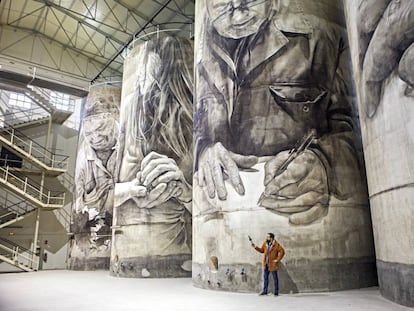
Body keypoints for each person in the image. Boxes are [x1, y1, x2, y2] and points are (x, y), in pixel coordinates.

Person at [195, 0, 365, 225]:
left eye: (247, 2)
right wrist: (203, 150)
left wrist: (325, 163)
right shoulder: (199, 54)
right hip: (219, 220)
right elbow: (192, 132)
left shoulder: (322, 39)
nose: (237, 17)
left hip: (304, 219)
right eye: (223, 7)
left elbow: (359, 131)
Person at [113, 35, 194, 274]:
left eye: (148, 73)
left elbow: (211, 209)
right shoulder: (130, 108)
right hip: (126, 239)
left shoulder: (188, 121)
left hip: (174, 244)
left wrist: (186, 192)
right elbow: (109, 193)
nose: (141, 78)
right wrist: (129, 189)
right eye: (140, 73)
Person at [72, 88, 120, 253]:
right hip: (98, 224)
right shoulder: (83, 160)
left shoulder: (133, 139)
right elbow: (79, 200)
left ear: (114, 120)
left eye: (101, 129)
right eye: (89, 133)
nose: (95, 138)